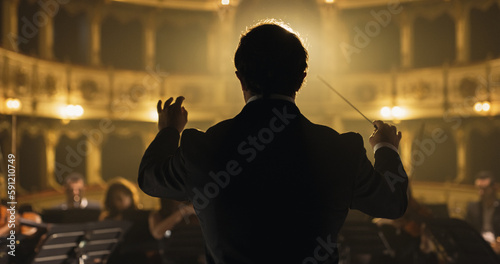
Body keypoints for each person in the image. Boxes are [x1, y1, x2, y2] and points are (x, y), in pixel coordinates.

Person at [138, 21, 408, 264]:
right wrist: (386, 148)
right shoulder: (340, 150)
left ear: (240, 78)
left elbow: (149, 177)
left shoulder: (203, 148)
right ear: (301, 79)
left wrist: (169, 130)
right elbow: (392, 203)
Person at [149, 199, 205, 264]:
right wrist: (184, 211)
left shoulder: (195, 209)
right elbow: (157, 233)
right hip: (174, 259)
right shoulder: (158, 215)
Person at [465, 171, 500, 255]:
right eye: (479, 188)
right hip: (479, 245)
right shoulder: (473, 207)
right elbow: (467, 229)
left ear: (494, 188)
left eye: (485, 189)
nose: (481, 192)